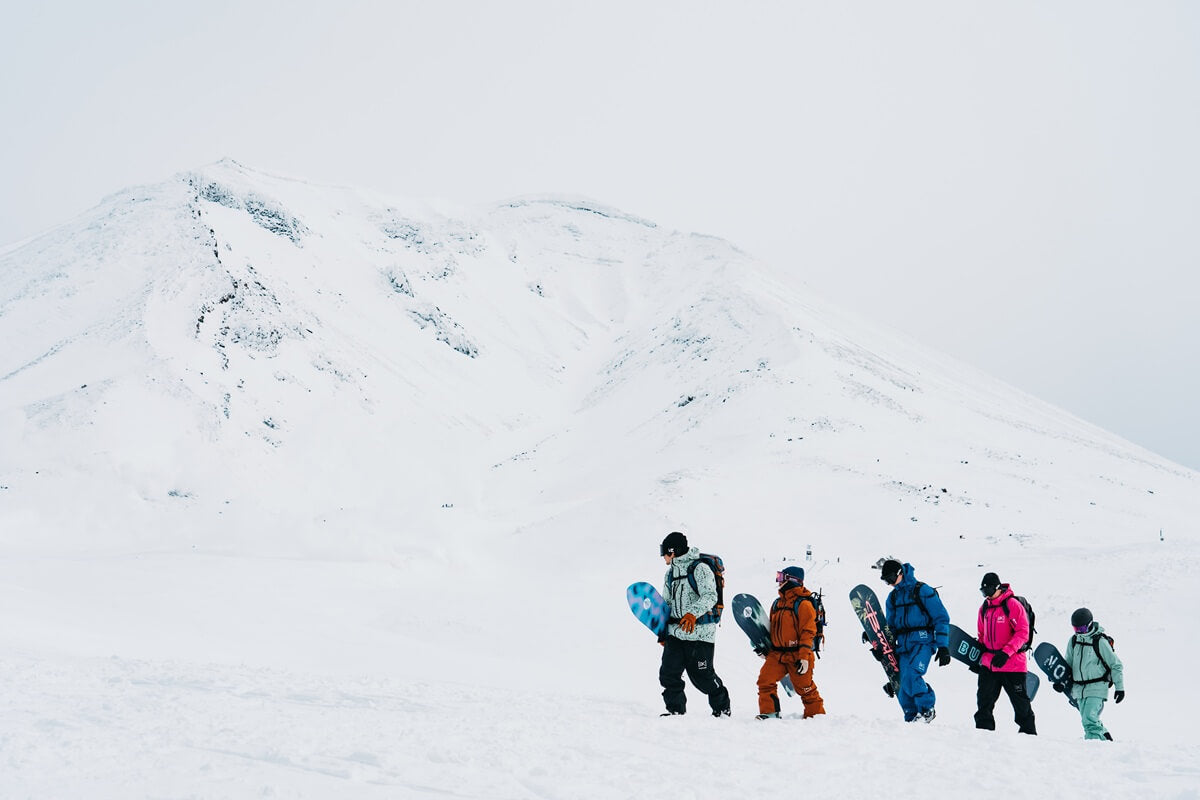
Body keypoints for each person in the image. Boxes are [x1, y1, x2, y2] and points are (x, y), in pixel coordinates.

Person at [657, 531, 731, 717]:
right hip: (675, 633)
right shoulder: (670, 574)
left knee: (702, 678)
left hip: (699, 634)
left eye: (663, 551)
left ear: (672, 551)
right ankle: (675, 711)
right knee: (668, 673)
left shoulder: (700, 568)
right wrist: (663, 631)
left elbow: (710, 596)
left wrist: (692, 614)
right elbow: (666, 604)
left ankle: (722, 709)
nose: (662, 556)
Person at [879, 559, 951, 722]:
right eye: (886, 581)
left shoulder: (922, 590)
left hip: (923, 642)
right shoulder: (893, 598)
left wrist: (943, 646)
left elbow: (941, 618)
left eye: (891, 578)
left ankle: (926, 709)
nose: (890, 583)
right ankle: (912, 718)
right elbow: (891, 628)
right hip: (903, 646)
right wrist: (879, 645)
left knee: (911, 675)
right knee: (902, 682)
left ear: (900, 573)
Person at [755, 566, 826, 719]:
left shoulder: (804, 605)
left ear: (792, 580)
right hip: (778, 654)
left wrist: (804, 657)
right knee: (765, 680)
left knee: (805, 688)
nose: (778, 581)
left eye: (781, 577)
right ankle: (770, 713)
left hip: (798, 655)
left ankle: (817, 717)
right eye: (778, 577)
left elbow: (808, 632)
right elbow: (771, 630)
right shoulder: (777, 604)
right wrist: (763, 648)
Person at [974, 572, 1037, 734]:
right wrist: (979, 655)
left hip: (1013, 665)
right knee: (984, 703)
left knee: (1021, 706)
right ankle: (983, 735)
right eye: (983, 592)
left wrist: (1006, 653)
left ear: (997, 588)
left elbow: (1023, 633)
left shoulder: (1012, 605)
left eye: (988, 591)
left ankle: (1029, 736)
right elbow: (981, 634)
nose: (986, 596)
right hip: (990, 664)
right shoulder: (984, 608)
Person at [1055, 607, 1125, 741]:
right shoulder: (1074, 641)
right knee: (1088, 721)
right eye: (1075, 629)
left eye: (1081, 629)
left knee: (1089, 719)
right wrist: (1061, 683)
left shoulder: (1100, 641)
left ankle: (1093, 746)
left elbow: (1116, 665)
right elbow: (1068, 665)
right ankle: (1105, 740)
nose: (1079, 632)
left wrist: (1119, 688)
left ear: (1090, 624)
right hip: (1079, 689)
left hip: (1097, 687)